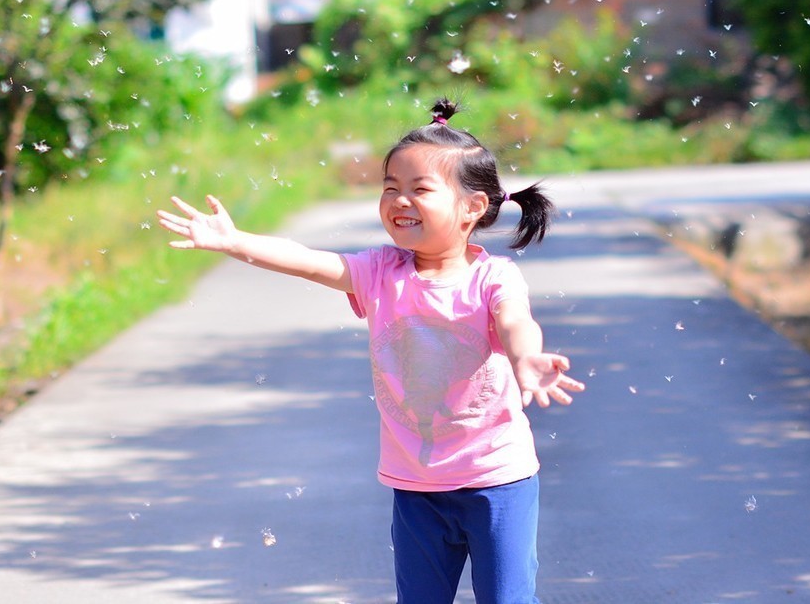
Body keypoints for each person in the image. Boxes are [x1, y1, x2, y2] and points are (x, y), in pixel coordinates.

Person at [157, 98, 586, 604]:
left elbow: (516, 321)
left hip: (496, 479)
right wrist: (235, 241)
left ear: (472, 207)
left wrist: (526, 359)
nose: (399, 201)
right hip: (416, 484)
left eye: (420, 189)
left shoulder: (492, 276)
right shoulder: (380, 272)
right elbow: (307, 260)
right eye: (390, 188)